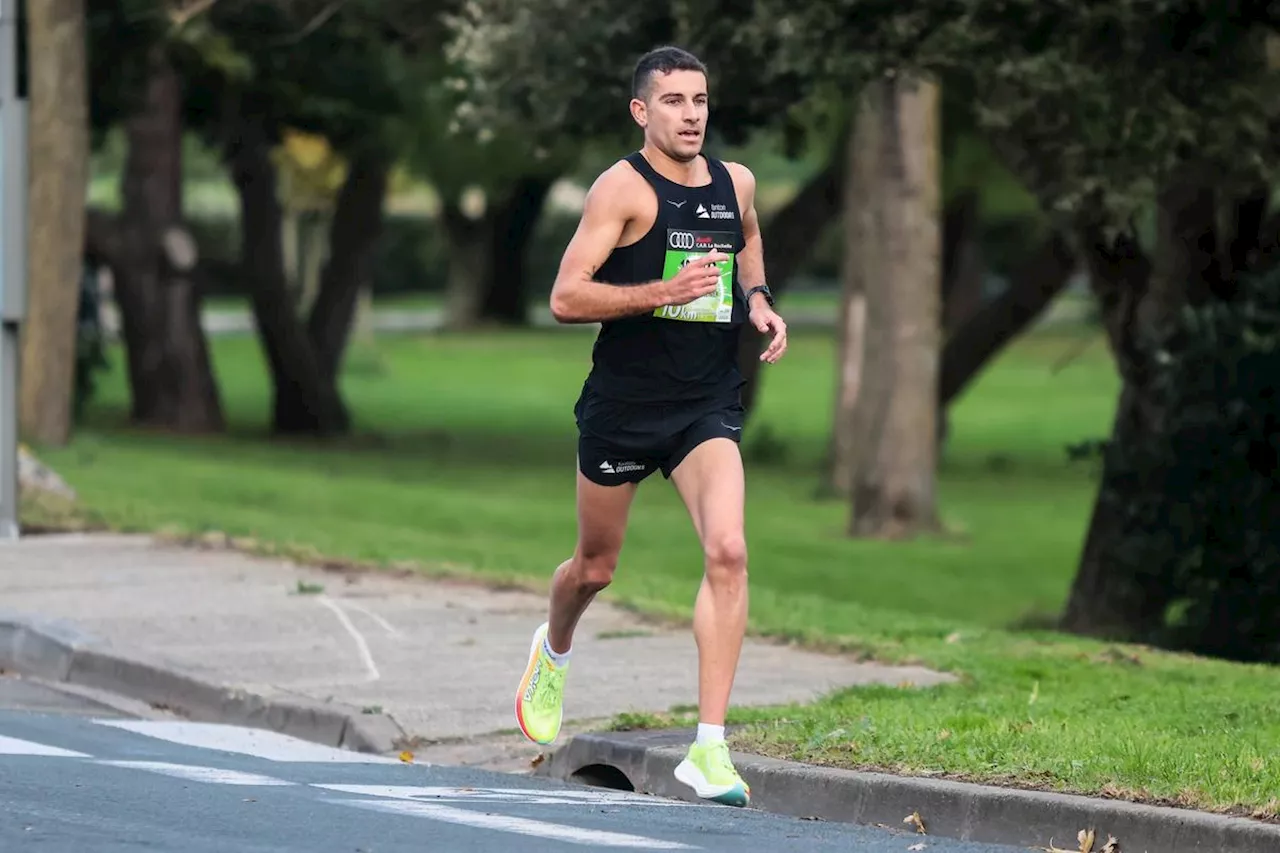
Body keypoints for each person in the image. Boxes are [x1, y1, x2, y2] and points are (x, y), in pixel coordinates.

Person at [514, 45, 788, 808]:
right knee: (595, 567)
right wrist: (663, 289)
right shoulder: (621, 190)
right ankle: (555, 649)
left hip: (705, 404)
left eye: (699, 100)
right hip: (625, 407)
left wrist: (757, 298)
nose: (691, 114)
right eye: (673, 101)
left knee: (728, 551)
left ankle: (709, 748)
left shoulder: (735, 182)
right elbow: (566, 297)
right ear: (642, 111)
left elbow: (749, 238)